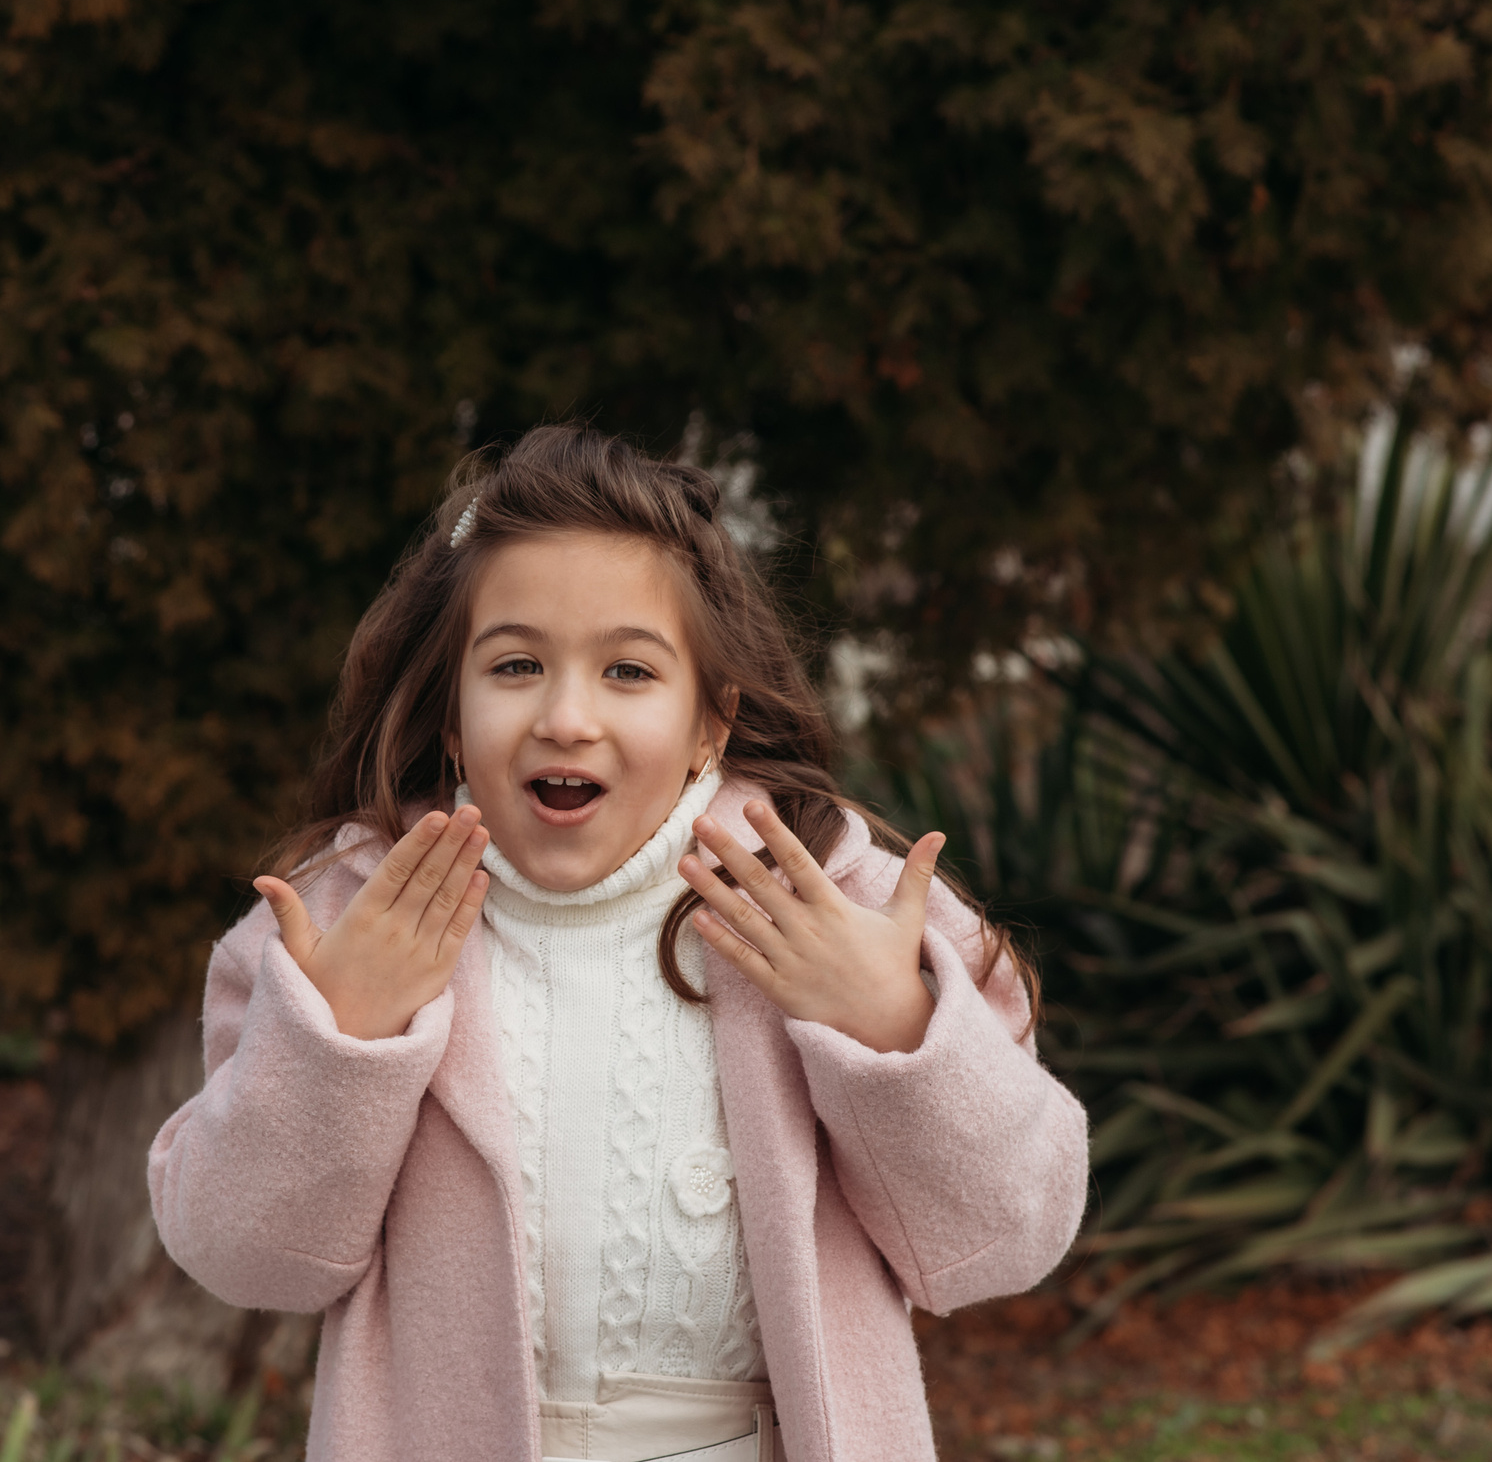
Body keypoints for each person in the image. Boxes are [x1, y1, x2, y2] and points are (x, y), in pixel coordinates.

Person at [149, 426, 1088, 1462]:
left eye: (629, 670)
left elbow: (1010, 1235)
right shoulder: (349, 917)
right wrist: (338, 1043)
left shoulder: (841, 902)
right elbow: (244, 1257)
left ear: (710, 720)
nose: (565, 715)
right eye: (514, 664)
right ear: (453, 717)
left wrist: (895, 1033)